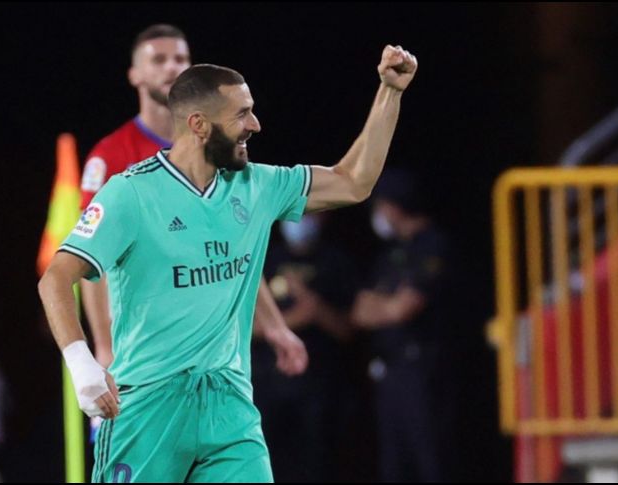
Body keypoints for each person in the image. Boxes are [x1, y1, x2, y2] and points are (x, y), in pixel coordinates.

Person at [39, 44, 417, 482]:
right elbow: (56, 277)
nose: (255, 125)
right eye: (242, 114)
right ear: (198, 125)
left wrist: (390, 92)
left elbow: (353, 182)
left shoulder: (257, 185)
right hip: (147, 406)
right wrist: (81, 362)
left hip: (229, 408)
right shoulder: (130, 194)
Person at [79, 24, 300, 376]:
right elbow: (89, 262)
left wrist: (273, 324)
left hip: (212, 348)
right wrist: (104, 350)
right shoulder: (111, 156)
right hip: (145, 349)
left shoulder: (219, 147)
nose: (171, 67)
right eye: (159, 59)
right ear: (134, 74)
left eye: (180, 58)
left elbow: (230, 245)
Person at [350, 168, 454, 482]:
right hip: (389, 371)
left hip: (424, 371)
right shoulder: (390, 254)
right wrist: (388, 306)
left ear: (395, 206)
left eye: (381, 205)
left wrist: (387, 306)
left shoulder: (432, 245)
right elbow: (358, 312)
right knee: (394, 466)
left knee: (431, 461)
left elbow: (402, 309)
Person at [252, 213, 358, 482]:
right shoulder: (264, 258)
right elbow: (243, 324)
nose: (301, 220)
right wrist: (291, 322)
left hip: (320, 386)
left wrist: (313, 308)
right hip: (268, 384)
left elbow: (348, 327)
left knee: (318, 463)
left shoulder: (336, 262)